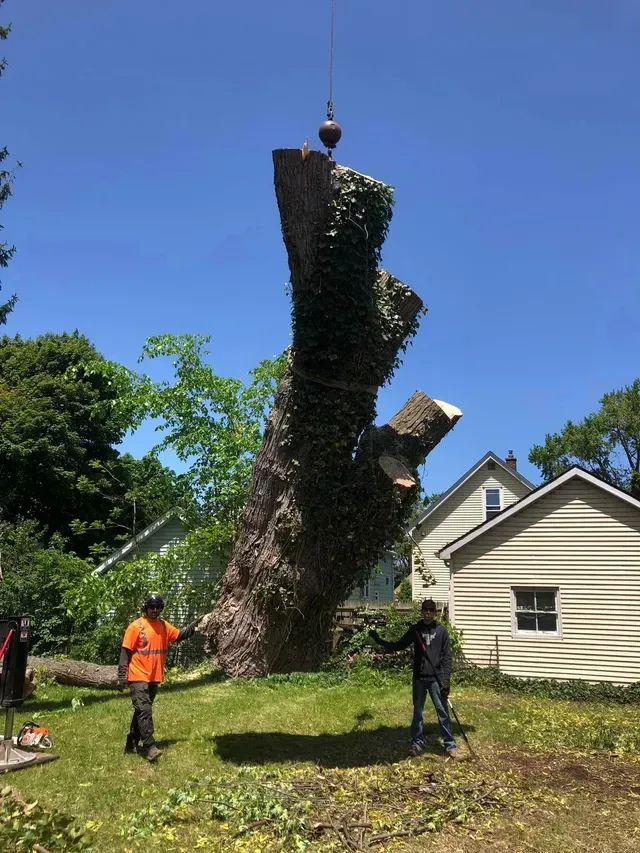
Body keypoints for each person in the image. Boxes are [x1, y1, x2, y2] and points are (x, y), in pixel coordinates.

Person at [369, 598, 461, 760]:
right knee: (418, 712)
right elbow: (399, 645)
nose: (427, 613)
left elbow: (447, 658)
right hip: (419, 678)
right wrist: (378, 640)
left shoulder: (442, 631)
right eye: (425, 610)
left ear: (435, 613)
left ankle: (450, 745)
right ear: (422, 612)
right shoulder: (416, 630)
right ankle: (417, 743)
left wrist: (446, 681)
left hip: (436, 679)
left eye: (430, 611)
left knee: (442, 712)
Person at [117, 593, 203, 761]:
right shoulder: (136, 626)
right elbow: (125, 652)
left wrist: (199, 623)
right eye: (152, 607)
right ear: (145, 608)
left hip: (154, 676)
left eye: (158, 607)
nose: (155, 610)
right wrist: (122, 676)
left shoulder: (164, 626)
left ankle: (131, 742)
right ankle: (150, 746)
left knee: (141, 711)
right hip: (137, 674)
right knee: (145, 710)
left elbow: (181, 634)